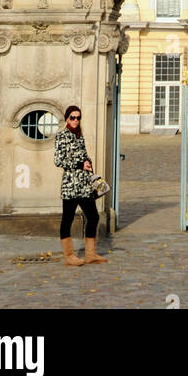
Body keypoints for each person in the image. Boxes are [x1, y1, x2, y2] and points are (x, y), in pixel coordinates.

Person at [54, 105, 106, 265]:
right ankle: (69, 256)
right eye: (72, 117)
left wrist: (87, 161)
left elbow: (81, 155)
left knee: (93, 216)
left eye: (78, 117)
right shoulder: (62, 136)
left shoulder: (79, 135)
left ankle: (90, 254)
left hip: (84, 185)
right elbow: (58, 160)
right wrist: (79, 164)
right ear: (67, 118)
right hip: (70, 185)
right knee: (67, 219)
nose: (76, 120)